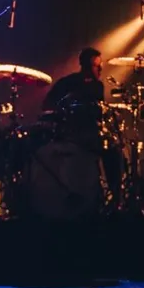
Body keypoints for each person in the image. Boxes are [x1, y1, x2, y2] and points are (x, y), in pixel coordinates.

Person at [43, 47, 125, 205]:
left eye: (100, 65)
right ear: (85, 65)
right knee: (109, 150)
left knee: (115, 149)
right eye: (96, 65)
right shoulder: (67, 83)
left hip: (91, 133)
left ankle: (116, 198)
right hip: (71, 132)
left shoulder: (98, 86)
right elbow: (48, 103)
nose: (100, 68)